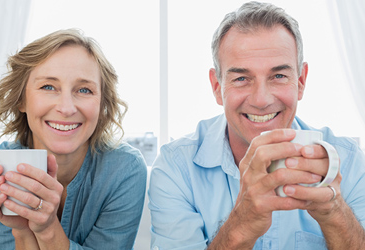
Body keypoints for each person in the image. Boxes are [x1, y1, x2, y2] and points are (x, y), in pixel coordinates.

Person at [148, 1, 365, 249]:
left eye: (279, 76)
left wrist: (335, 215)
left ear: (301, 81)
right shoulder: (176, 168)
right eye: (241, 78)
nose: (261, 100)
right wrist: (243, 223)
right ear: (217, 87)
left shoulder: (348, 162)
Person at [0, 29, 147, 250]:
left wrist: (47, 230)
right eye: (48, 87)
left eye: (84, 89)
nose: (66, 108)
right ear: (21, 100)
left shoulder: (124, 170)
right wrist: (23, 230)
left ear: (102, 104)